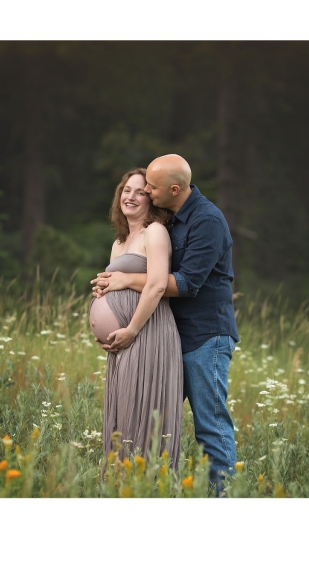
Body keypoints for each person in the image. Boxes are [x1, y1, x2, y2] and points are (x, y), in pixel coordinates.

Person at [92, 154, 239, 494]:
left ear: (174, 189)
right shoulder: (171, 220)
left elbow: (184, 284)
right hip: (168, 337)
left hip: (205, 337)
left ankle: (225, 501)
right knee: (152, 419)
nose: (147, 193)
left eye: (151, 189)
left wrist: (127, 280)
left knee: (210, 426)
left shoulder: (207, 221)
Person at [88, 168, 183, 468]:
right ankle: (121, 485)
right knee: (123, 416)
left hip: (147, 332)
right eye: (126, 190)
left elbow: (156, 285)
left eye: (140, 191)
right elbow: (118, 282)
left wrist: (130, 329)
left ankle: (147, 486)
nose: (130, 196)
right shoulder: (119, 241)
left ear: (151, 199)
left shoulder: (155, 232)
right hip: (122, 341)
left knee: (140, 411)